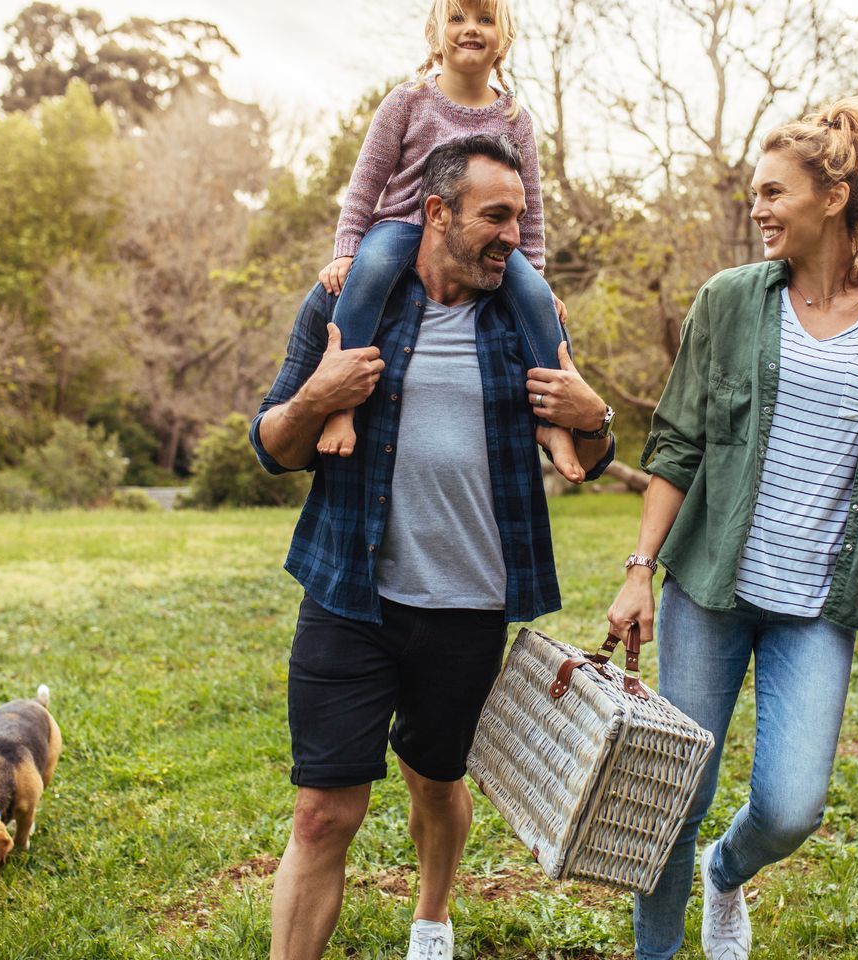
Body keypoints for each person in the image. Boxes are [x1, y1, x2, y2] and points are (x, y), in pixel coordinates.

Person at [251, 134, 615, 960]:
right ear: (437, 212)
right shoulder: (351, 305)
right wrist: (321, 395)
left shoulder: (525, 319)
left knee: (436, 779)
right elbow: (273, 446)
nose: (512, 237)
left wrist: (594, 420)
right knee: (321, 813)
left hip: (467, 607)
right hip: (350, 595)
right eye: (495, 217)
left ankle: (432, 915)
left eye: (520, 219)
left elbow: (587, 460)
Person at [606, 97, 858, 960]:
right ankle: (658, 953)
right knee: (673, 792)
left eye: (773, 192)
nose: (757, 208)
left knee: (793, 806)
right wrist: (641, 569)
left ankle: (727, 872)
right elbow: (677, 442)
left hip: (820, 605)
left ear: (833, 196)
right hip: (712, 588)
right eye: (754, 193)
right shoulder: (728, 300)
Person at [313, 0, 584, 484]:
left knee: (541, 304)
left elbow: (532, 206)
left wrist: (536, 274)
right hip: (402, 225)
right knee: (368, 274)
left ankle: (554, 421)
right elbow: (366, 182)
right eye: (458, 19)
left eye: (484, 20)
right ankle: (340, 406)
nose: (471, 30)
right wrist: (347, 249)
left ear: (504, 36)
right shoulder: (408, 100)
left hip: (482, 237)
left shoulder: (515, 117)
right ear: (437, 33)